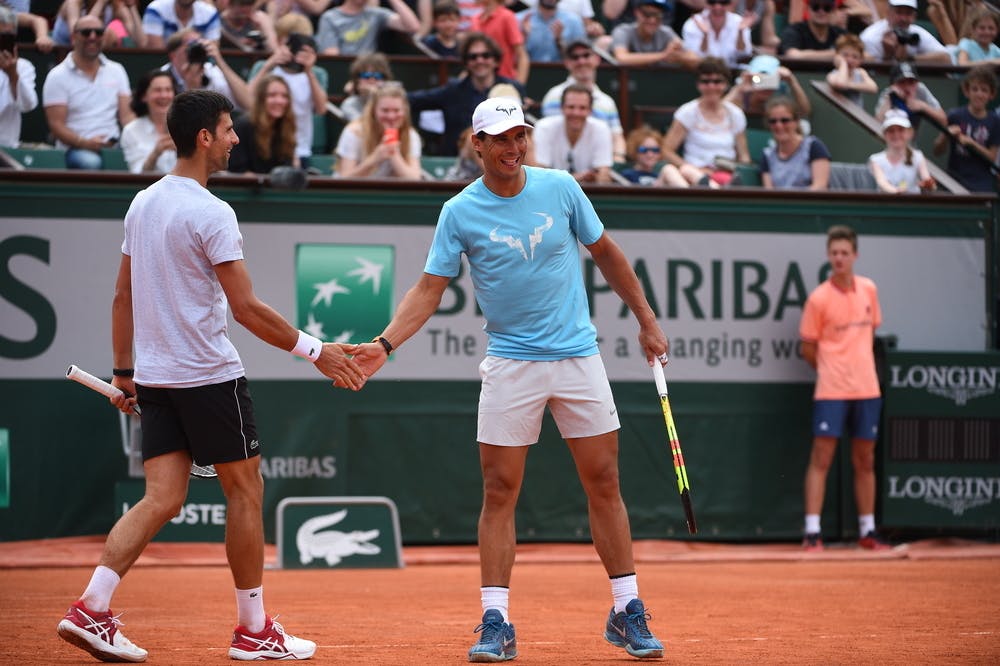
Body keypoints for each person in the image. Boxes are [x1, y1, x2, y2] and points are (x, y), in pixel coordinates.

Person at [350, 95, 670, 663]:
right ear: (477, 144)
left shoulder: (562, 188)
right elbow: (429, 290)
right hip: (511, 362)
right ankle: (496, 620)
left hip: (577, 357)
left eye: (519, 136)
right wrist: (384, 345)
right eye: (499, 138)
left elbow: (607, 254)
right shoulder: (459, 211)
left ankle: (628, 608)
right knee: (499, 492)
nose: (512, 147)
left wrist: (646, 320)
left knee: (604, 481)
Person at [55, 89, 367, 663]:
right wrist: (316, 350)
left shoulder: (142, 203)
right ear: (204, 137)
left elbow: (121, 296)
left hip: (155, 377)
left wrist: (126, 373)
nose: (235, 139)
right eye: (227, 129)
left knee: (160, 498)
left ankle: (90, 608)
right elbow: (246, 309)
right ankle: (253, 631)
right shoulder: (211, 211)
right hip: (208, 376)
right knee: (246, 493)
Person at [800, 225, 890, 553]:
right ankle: (812, 533)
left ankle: (868, 529)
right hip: (831, 389)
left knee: (865, 459)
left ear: (855, 255)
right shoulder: (818, 299)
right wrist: (831, 369)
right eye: (834, 253)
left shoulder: (869, 290)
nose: (839, 258)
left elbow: (870, 336)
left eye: (844, 253)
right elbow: (808, 347)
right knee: (821, 458)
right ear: (829, 256)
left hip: (867, 388)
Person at [42, 15, 134, 169]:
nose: (92, 37)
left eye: (98, 32)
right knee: (91, 163)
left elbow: (127, 116)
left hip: (114, 146)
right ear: (73, 37)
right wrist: (84, 143)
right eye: (86, 32)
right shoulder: (57, 76)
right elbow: (56, 125)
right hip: (74, 148)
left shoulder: (117, 70)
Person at [408, 32, 523, 156]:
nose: (479, 60)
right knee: (471, 138)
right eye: (473, 57)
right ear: (466, 63)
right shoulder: (453, 90)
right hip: (457, 161)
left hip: (502, 156)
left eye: (486, 55)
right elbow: (414, 100)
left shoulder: (510, 89)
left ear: (495, 60)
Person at [661, 56, 749, 188]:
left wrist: (738, 169)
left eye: (717, 81)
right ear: (698, 85)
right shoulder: (687, 112)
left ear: (725, 84)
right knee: (682, 171)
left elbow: (744, 155)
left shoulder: (735, 114)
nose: (711, 86)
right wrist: (690, 168)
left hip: (726, 176)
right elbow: (667, 150)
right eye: (705, 81)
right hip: (693, 177)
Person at [247, 28, 327, 167]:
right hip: (262, 147)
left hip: (299, 150)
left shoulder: (315, 74)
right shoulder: (265, 67)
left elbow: (321, 109)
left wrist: (308, 71)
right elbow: (246, 97)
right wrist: (269, 64)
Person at [540, 38, 627, 162]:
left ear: (597, 59)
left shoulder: (607, 102)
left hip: (600, 166)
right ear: (567, 63)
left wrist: (618, 157)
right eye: (575, 57)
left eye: (586, 55)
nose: (581, 61)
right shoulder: (554, 95)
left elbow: (617, 136)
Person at [933, 65, 999, 192]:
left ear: (992, 94)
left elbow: (992, 157)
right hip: (954, 180)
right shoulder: (954, 115)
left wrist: (971, 143)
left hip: (982, 183)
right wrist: (946, 136)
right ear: (966, 91)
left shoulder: (995, 121)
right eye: (975, 89)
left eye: (984, 90)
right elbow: (937, 150)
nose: (979, 94)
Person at [335, 83, 423, 179]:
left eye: (396, 110)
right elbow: (345, 179)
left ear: (404, 111)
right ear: (374, 111)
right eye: (385, 110)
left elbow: (414, 179)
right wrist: (375, 158)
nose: (391, 116)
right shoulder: (354, 132)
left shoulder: (411, 135)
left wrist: (394, 156)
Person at [533, 84, 614, 183]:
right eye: (571, 107)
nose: (576, 113)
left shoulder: (601, 129)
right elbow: (539, 174)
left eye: (582, 108)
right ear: (562, 108)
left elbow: (604, 175)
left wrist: (595, 177)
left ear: (590, 111)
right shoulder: (544, 127)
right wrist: (574, 179)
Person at [162, 28, 253, 111]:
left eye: (199, 46)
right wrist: (192, 87)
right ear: (173, 55)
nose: (196, 51)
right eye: (190, 47)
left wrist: (219, 61)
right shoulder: (162, 77)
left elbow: (249, 104)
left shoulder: (211, 71)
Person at [228, 74, 298, 174]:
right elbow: (237, 169)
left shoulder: (286, 126)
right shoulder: (243, 126)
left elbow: (287, 165)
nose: (279, 101)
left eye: (284, 96)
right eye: (272, 95)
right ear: (261, 99)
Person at [759, 96, 831, 190]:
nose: (779, 125)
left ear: (796, 121)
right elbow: (769, 192)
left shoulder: (814, 146)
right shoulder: (767, 155)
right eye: (773, 121)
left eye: (785, 120)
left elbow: (820, 186)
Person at [611, 0, 699, 68]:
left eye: (657, 15)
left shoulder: (666, 32)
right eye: (647, 14)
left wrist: (678, 56)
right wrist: (663, 55)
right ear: (637, 13)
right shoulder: (623, 31)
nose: (652, 20)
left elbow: (694, 59)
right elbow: (622, 58)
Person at [120, 69, 177, 173]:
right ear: (144, 96)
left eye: (168, 90)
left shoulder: (187, 126)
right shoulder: (131, 131)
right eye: (157, 90)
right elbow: (137, 174)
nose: (164, 95)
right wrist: (156, 153)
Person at [316, 0, 419, 56]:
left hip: (370, 70)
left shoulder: (375, 14)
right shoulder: (330, 17)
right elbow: (331, 54)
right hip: (343, 69)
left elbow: (412, 27)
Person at [859, 0, 951, 63]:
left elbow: (946, 59)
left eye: (908, 13)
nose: (903, 18)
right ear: (888, 13)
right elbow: (864, 67)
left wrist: (909, 59)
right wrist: (887, 55)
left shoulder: (917, 33)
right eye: (899, 12)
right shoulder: (871, 36)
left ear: (914, 17)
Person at [725, 54, 812, 119]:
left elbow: (804, 111)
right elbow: (721, 110)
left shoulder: (781, 92)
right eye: (759, 79)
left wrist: (792, 81)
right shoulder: (742, 93)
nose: (765, 85)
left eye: (770, 79)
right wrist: (739, 89)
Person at [868, 109, 934, 193]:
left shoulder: (918, 156)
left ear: (910, 133)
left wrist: (928, 184)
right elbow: (882, 183)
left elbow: (927, 180)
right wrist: (896, 191)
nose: (896, 134)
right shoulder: (876, 160)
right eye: (891, 130)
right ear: (884, 135)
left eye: (901, 130)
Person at [0, 6, 38, 148]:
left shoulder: (23, 67)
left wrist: (13, 75)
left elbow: (28, 105)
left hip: (7, 149)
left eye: (7, 36)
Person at [873, 61, 946, 133]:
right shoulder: (889, 93)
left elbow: (944, 120)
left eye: (911, 82)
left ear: (917, 83)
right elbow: (876, 125)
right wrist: (889, 100)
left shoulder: (920, 89)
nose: (907, 87)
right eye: (902, 82)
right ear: (893, 85)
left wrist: (923, 107)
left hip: (912, 141)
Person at [681, 0, 753, 68]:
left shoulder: (738, 21)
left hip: (731, 71)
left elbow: (744, 54)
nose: (717, 7)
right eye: (712, 2)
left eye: (723, 2)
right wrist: (705, 35)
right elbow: (694, 57)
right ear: (706, 2)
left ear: (730, 3)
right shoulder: (692, 23)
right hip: (701, 71)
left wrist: (740, 33)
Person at [471, 0, 529, 84]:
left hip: (504, 84)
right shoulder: (475, 19)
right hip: (479, 85)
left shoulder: (507, 17)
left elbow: (522, 56)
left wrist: (519, 88)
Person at [51, 0, 145, 48]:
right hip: (61, 53)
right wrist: (100, 2)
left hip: (91, 52)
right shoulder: (72, 3)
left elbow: (141, 42)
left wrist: (131, 7)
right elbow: (77, 37)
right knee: (107, 33)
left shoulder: (115, 5)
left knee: (110, 34)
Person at [517, 0, 587, 63]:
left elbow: (580, 58)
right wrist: (524, 36)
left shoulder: (574, 21)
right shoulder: (518, 19)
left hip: (562, 72)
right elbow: (513, 58)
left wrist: (559, 41)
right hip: (529, 72)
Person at [777, 0, 846, 59]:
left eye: (827, 8)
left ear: (833, 11)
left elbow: (852, 54)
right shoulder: (794, 31)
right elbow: (793, 55)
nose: (821, 11)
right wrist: (835, 54)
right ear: (807, 9)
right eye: (815, 7)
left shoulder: (840, 34)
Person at [825, 33, 877, 109]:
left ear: (861, 59)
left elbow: (873, 88)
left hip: (857, 116)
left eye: (855, 57)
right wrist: (843, 64)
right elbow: (840, 84)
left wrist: (848, 85)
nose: (850, 60)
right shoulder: (833, 75)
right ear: (837, 56)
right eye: (845, 55)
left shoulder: (861, 72)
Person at [142, 0, 221, 49]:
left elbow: (212, 52)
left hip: (199, 68)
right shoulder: (156, 9)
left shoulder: (210, 13)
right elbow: (157, 52)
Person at [340, 52, 393, 122]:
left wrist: (377, 95)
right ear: (357, 80)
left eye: (377, 76)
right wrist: (373, 96)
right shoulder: (350, 103)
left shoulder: (393, 103)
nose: (372, 80)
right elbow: (365, 127)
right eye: (366, 76)